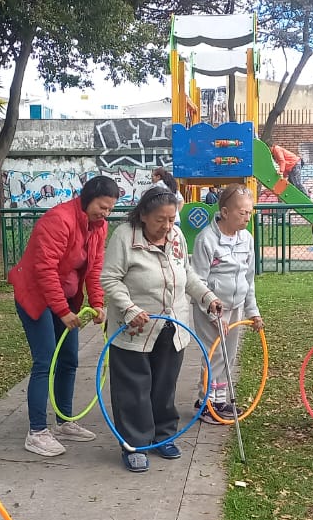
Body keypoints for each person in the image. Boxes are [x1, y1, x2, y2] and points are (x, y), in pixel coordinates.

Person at [101, 186, 223, 472]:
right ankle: (135, 443)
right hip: (134, 328)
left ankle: (163, 436)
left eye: (171, 219)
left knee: (165, 386)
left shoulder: (176, 235)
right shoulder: (124, 237)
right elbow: (110, 279)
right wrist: (129, 308)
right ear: (143, 215)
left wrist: (207, 297)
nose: (167, 226)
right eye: (160, 220)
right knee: (133, 388)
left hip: (172, 325)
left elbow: (187, 273)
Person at [7, 176, 120, 457]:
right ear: (88, 198)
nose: (105, 214)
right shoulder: (58, 220)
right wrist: (62, 311)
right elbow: (44, 270)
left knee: (69, 358)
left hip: (66, 298)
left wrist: (97, 303)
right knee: (45, 360)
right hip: (35, 294)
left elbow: (94, 267)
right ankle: (36, 432)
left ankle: (64, 421)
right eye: (102, 207)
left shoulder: (99, 227)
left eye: (110, 209)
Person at [190, 184, 263, 422]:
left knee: (229, 354)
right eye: (242, 212)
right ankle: (206, 402)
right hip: (211, 307)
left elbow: (248, 278)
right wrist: (213, 314)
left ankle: (220, 400)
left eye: (250, 212)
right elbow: (197, 281)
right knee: (214, 355)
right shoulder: (206, 239)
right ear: (224, 212)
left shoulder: (247, 239)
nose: (247, 217)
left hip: (236, 305)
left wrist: (253, 311)